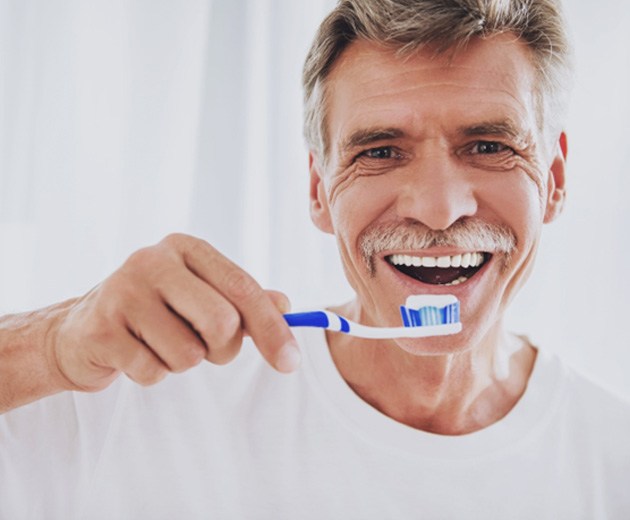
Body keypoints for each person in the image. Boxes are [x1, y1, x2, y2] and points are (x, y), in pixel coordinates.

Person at [1, 0, 629, 518]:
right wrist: (50, 345)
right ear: (317, 190)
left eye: (489, 145)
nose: (439, 210)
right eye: (380, 151)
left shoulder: (611, 461)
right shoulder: (144, 391)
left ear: (553, 177)